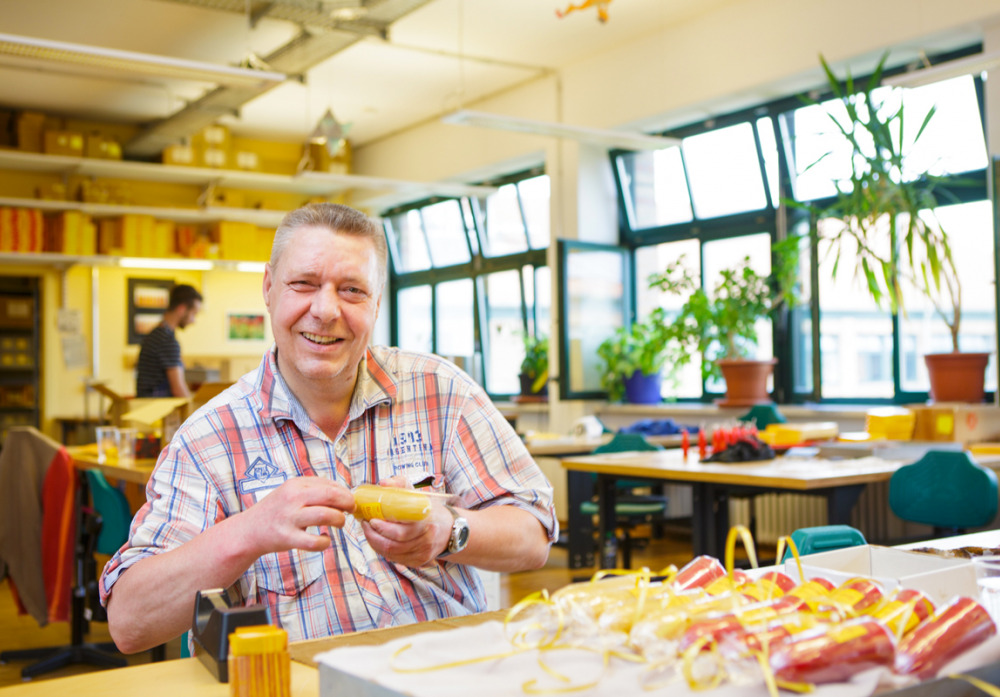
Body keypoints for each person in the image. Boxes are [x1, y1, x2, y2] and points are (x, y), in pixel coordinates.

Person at [100, 203, 557, 653]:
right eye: (304, 283)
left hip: (451, 675)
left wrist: (450, 530)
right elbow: (130, 623)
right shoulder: (208, 439)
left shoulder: (440, 390)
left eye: (352, 290)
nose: (325, 310)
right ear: (268, 287)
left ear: (377, 303)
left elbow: (534, 533)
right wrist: (250, 531)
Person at [135, 284, 203, 398]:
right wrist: (196, 413)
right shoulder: (167, 341)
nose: (193, 321)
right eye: (194, 314)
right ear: (182, 309)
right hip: (157, 410)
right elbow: (178, 390)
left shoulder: (155, 334)